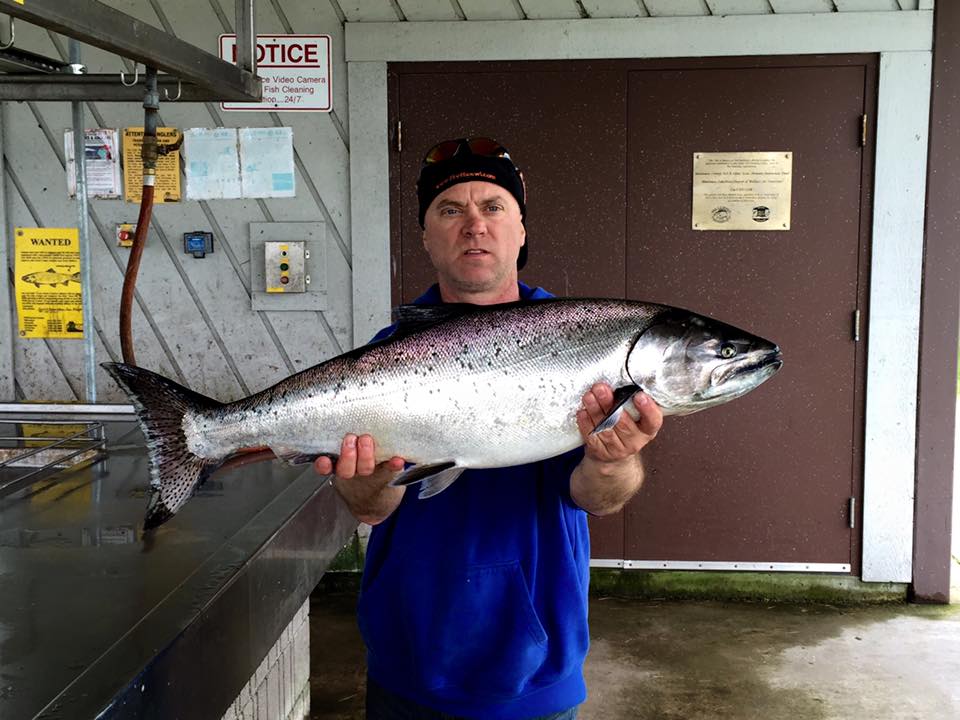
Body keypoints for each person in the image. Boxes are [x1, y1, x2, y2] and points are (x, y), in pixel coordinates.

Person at [314, 137, 663, 720]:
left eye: (493, 207)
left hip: (531, 669)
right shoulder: (387, 357)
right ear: (426, 238)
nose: (474, 225)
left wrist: (612, 461)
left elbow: (599, 500)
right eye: (450, 210)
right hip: (407, 658)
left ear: (521, 231)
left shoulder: (581, 343)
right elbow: (369, 508)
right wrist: (365, 481)